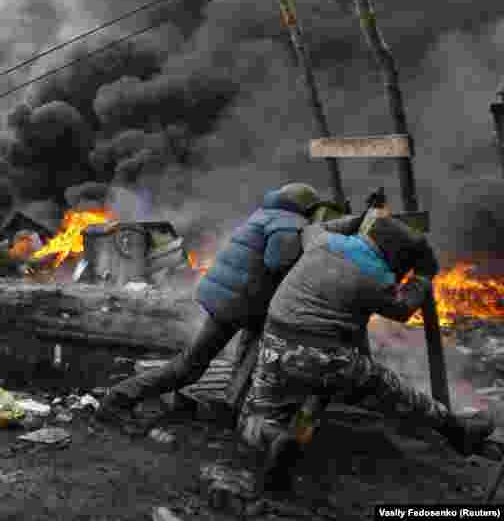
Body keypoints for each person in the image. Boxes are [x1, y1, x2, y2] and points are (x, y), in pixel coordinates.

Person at [240, 215, 494, 492]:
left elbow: (315, 227)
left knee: (261, 413)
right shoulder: (378, 276)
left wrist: (359, 217)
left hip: (276, 342)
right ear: (395, 256)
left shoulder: (321, 240)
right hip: (327, 356)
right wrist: (422, 276)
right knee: (394, 390)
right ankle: (457, 431)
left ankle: (277, 439)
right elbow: (402, 309)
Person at [96, 183, 361, 426]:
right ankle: (118, 400)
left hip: (230, 301)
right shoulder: (288, 226)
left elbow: (316, 232)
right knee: (196, 367)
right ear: (308, 208)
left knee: (212, 362)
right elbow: (280, 262)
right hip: (244, 305)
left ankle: (227, 409)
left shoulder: (268, 216)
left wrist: (356, 221)